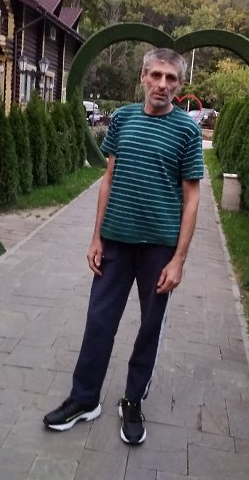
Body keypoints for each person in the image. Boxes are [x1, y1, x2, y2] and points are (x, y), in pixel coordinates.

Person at [43, 47, 204, 445]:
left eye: (170, 78)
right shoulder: (122, 118)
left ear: (180, 85)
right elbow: (109, 179)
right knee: (98, 321)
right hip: (115, 241)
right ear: (143, 77)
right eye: (156, 75)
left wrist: (179, 260)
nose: (162, 84)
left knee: (150, 327)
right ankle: (84, 399)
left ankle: (132, 401)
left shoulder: (187, 130)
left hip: (158, 250)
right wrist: (96, 236)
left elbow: (192, 197)